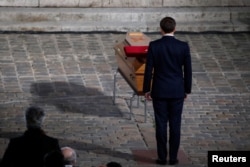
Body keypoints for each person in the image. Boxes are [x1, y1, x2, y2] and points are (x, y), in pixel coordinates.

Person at [143, 16, 192, 165]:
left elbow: (149, 69)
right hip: (177, 90)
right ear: (175, 28)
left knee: (161, 124)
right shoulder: (183, 46)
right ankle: (173, 157)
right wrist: (187, 90)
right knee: (175, 125)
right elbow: (188, 71)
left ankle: (162, 157)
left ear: (161, 29)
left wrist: (146, 89)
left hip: (159, 90)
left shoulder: (154, 45)